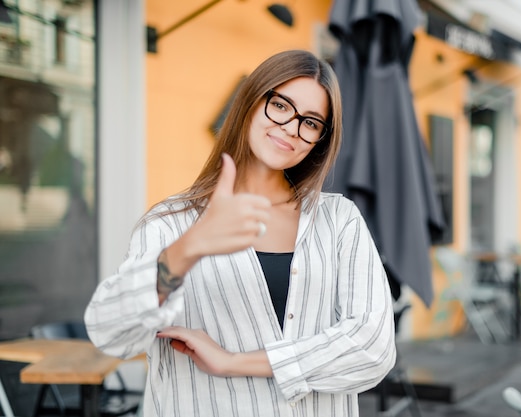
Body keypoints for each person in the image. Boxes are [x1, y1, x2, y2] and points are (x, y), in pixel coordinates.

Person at [84, 49, 396, 416]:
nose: (291, 128)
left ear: (320, 140)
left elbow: (373, 347)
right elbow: (111, 333)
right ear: (251, 101)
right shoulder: (171, 223)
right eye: (280, 105)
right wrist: (189, 249)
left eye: (310, 123)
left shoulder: (338, 219)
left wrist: (234, 361)